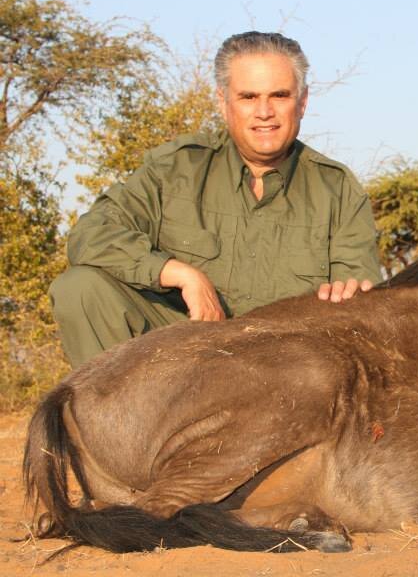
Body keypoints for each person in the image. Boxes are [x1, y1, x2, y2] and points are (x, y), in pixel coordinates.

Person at [49, 31, 382, 367]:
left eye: (279, 95)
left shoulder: (338, 189)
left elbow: (358, 294)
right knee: (79, 288)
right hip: (185, 354)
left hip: (285, 368)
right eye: (248, 97)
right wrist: (179, 274)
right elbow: (90, 234)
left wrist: (350, 298)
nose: (264, 112)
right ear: (223, 102)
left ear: (303, 101)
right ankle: (120, 418)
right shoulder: (176, 168)